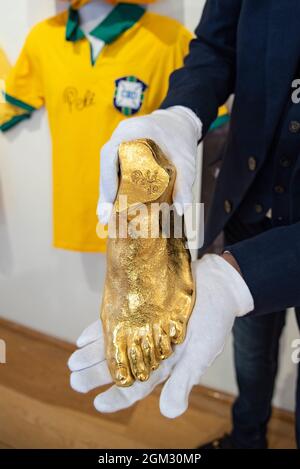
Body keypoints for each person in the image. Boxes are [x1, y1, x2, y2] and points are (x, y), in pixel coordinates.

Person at [69, 0, 300, 448]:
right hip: (245, 210)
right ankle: (246, 438)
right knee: (250, 354)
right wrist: (180, 113)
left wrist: (236, 283)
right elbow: (216, 46)